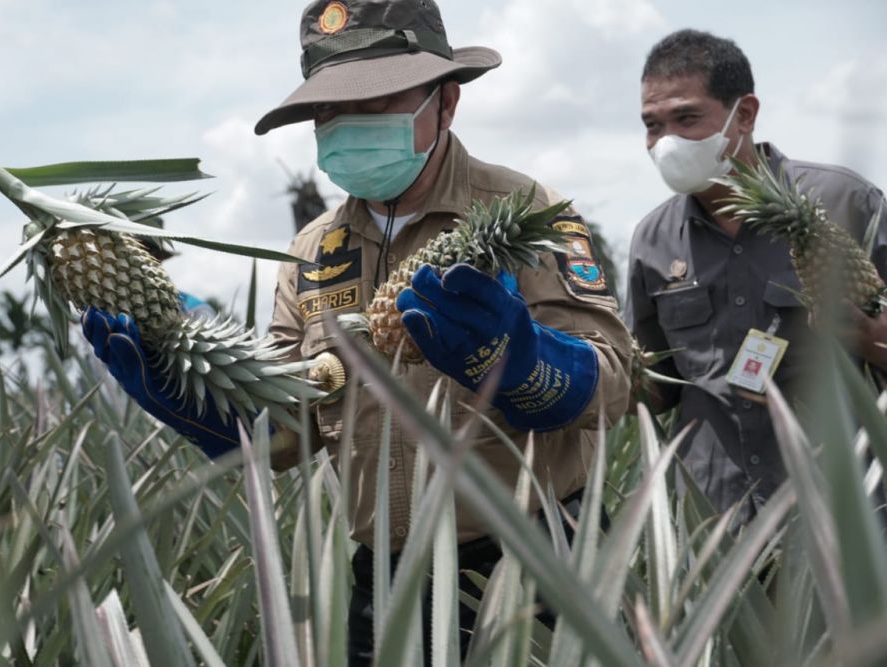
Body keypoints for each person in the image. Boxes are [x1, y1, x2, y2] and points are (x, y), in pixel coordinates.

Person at [84, 0, 632, 661]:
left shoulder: (527, 211)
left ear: (446, 101)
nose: (347, 124)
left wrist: (525, 364)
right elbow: (290, 434)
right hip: (386, 579)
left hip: (538, 563)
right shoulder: (311, 253)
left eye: (373, 101)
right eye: (328, 110)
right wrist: (200, 403)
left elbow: (612, 384)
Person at [626, 29, 887, 526]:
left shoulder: (843, 202)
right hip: (715, 523)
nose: (666, 143)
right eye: (652, 126)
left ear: (743, 114)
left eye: (686, 118)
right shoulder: (653, 240)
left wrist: (871, 336)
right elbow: (658, 386)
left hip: (844, 512)